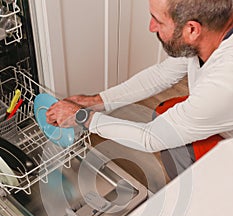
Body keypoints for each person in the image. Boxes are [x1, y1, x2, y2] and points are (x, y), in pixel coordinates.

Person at [46, 0, 233, 180]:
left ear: (192, 30)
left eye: (158, 21)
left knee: (172, 141)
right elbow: (162, 75)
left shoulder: (223, 83)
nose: (151, 27)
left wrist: (83, 118)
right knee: (164, 117)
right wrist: (96, 101)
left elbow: (150, 137)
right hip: (221, 117)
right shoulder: (211, 31)